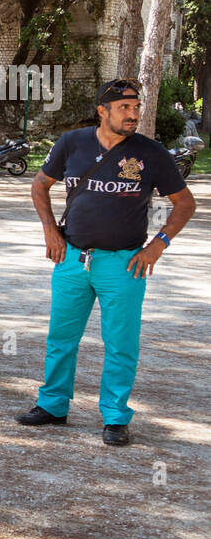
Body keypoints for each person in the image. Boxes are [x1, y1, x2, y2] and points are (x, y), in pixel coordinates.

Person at [16, 78, 196, 446]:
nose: (133, 115)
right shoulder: (73, 143)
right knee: (61, 339)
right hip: (72, 259)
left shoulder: (151, 153)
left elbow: (185, 203)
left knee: (120, 344)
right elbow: (39, 184)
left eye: (136, 108)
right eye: (124, 108)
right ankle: (52, 405)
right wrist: (51, 231)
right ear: (103, 110)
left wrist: (157, 245)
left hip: (125, 263)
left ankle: (115, 417)